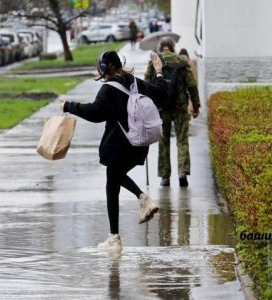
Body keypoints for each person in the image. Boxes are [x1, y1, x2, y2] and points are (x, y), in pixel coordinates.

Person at [60, 51, 168, 252]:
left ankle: (115, 237)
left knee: (112, 183)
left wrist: (68, 106)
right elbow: (162, 93)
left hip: (120, 145)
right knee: (115, 178)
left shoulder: (108, 90)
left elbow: (95, 113)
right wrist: (159, 71)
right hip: (139, 143)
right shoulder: (135, 82)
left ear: (103, 68)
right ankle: (139, 204)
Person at [144, 37, 200, 187]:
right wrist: (196, 105)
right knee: (182, 141)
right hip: (180, 108)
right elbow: (192, 84)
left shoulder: (155, 61)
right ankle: (182, 172)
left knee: (164, 142)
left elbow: (147, 83)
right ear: (173, 47)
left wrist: (147, 106)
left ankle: (165, 177)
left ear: (161, 47)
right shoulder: (181, 61)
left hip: (161, 109)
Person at [179, 48, 198, 117]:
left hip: (186, 85)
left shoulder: (188, 62)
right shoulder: (190, 62)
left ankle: (188, 113)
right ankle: (188, 113)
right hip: (187, 85)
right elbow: (195, 74)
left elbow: (194, 74)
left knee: (188, 100)